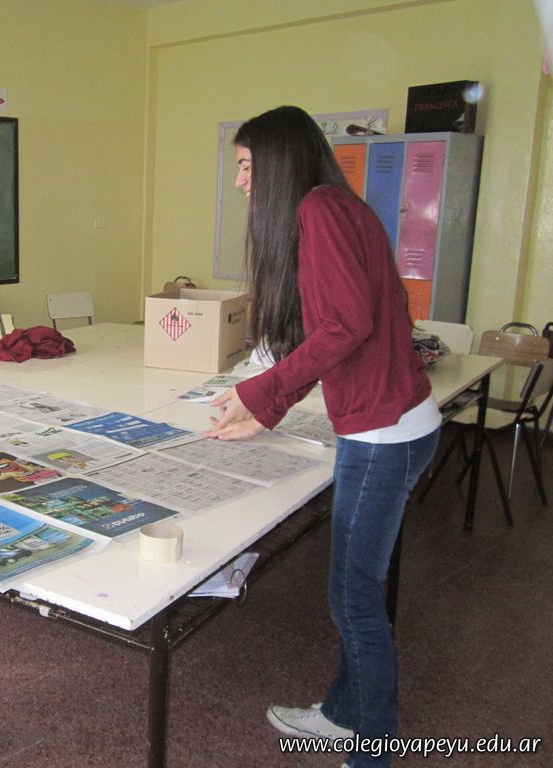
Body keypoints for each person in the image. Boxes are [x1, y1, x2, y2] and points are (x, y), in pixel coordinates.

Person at [205, 106, 441, 768]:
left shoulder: (320, 210)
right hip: (391, 423)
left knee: (353, 598)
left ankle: (373, 750)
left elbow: (344, 327)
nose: (241, 182)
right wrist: (268, 409)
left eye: (246, 167)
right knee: (352, 590)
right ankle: (344, 713)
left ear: (278, 162)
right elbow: (341, 333)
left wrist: (261, 390)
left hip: (384, 435)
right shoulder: (335, 205)